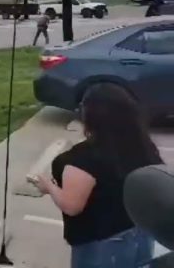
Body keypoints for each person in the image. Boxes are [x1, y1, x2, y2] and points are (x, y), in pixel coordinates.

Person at [34, 83, 163, 268]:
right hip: (140, 234)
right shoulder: (143, 147)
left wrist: (49, 186)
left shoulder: (79, 160)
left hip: (102, 245)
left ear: (88, 116)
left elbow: (72, 206)